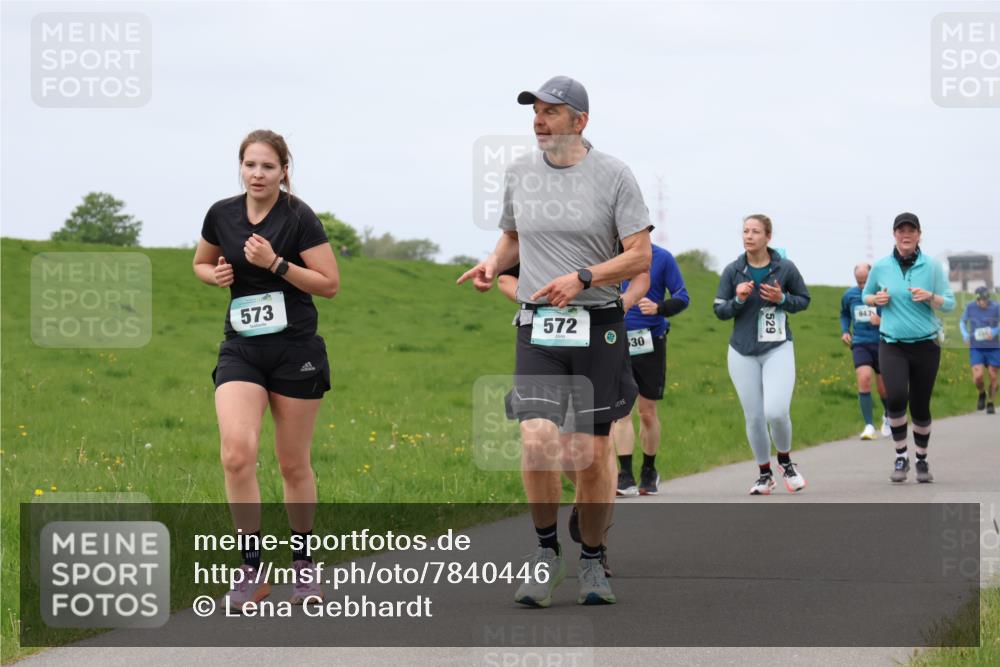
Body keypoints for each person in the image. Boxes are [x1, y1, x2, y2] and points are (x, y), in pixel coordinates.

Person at [458, 75, 651, 607]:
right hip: (539, 326)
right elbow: (513, 237)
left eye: (551, 112)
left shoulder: (615, 175)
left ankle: (592, 556)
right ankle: (546, 553)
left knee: (590, 455)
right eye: (536, 111)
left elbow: (639, 256)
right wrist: (491, 263)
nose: (539, 121)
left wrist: (584, 278)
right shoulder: (521, 172)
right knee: (538, 440)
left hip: (598, 327)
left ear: (580, 121)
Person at [192, 129, 339, 612]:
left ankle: (303, 564)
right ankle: (251, 569)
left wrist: (276, 263)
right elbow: (200, 262)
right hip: (242, 349)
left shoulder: (299, 218)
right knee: (237, 453)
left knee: (292, 463)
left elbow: (329, 284)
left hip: (295, 348)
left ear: (284, 171)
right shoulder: (222, 214)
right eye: (250, 165)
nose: (258, 174)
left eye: (268, 167)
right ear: (241, 167)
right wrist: (214, 275)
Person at [498, 263, 649, 577]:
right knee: (557, 449)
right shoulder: (537, 229)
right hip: (545, 344)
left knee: (592, 452)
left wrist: (624, 302)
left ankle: (597, 546)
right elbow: (506, 276)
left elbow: (641, 273)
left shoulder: (607, 224)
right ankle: (579, 512)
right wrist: (537, 299)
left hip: (595, 340)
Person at [714, 214, 810, 495]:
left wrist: (782, 299)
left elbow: (804, 300)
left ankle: (785, 461)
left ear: (768, 237)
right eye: (745, 231)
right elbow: (719, 310)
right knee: (754, 417)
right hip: (741, 351)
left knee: (776, 411)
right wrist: (739, 299)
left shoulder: (785, 268)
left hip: (777, 348)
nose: (749, 236)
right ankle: (764, 474)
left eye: (755, 231)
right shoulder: (733, 270)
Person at [863, 212, 955, 483]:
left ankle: (922, 460)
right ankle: (901, 455)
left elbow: (949, 303)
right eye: (901, 230)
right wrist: (875, 298)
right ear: (894, 235)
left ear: (919, 235)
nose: (906, 235)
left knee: (920, 405)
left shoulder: (932, 267)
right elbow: (866, 294)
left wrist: (931, 297)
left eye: (911, 231)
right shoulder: (881, 266)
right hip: (892, 344)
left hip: (926, 345)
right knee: (895, 398)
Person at [612, 244, 689, 496]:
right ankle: (625, 475)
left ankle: (649, 470)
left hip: (650, 340)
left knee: (646, 411)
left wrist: (659, 308)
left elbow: (682, 296)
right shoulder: (608, 255)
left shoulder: (662, 257)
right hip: (614, 339)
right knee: (620, 411)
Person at [840, 262, 891, 440]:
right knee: (864, 378)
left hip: (882, 342)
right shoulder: (849, 295)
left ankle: (888, 415)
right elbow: (844, 314)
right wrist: (845, 330)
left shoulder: (882, 294)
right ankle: (869, 425)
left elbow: (895, 314)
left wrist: (882, 320)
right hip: (860, 342)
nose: (862, 285)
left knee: (883, 388)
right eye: (859, 281)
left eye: (865, 281)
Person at [960, 286, 1000, 414]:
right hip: (976, 347)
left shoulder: (996, 307)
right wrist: (965, 334)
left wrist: (994, 331)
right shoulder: (970, 307)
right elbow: (962, 321)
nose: (985, 302)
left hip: (993, 348)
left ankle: (990, 402)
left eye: (986, 299)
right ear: (977, 299)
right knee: (978, 377)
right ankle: (982, 393)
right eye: (982, 300)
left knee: (993, 376)